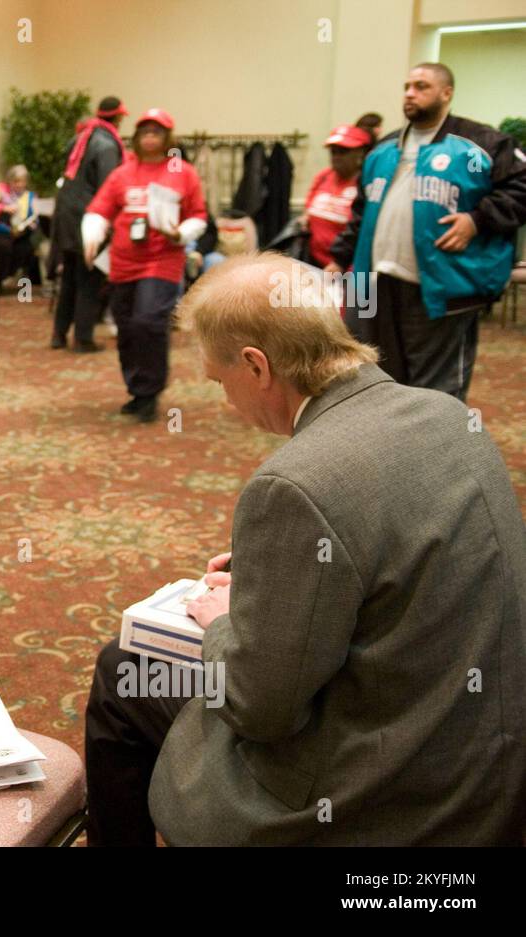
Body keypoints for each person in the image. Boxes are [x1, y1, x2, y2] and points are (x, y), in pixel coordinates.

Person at [84, 253, 526, 845]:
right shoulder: (447, 414)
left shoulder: (292, 484)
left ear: (257, 365)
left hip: (382, 804)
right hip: (484, 773)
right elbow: (401, 544)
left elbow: (259, 708)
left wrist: (221, 621)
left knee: (124, 670)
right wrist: (279, 572)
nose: (224, 401)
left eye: (220, 381)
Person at [331, 63, 526, 401]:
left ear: (446, 93)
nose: (410, 93)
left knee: (437, 390)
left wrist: (477, 219)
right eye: (407, 86)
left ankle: (440, 451)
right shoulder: (384, 149)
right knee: (381, 380)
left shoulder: (481, 143)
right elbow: (362, 210)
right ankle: (394, 451)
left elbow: (521, 187)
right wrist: (339, 259)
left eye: (421, 86)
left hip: (441, 286)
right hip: (378, 285)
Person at [83, 108, 206, 422]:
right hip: (123, 263)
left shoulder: (183, 172)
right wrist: (92, 234)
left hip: (162, 261)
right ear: (136, 138)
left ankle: (150, 391)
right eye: (145, 131)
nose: (150, 137)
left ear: (168, 138)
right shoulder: (123, 172)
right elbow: (100, 209)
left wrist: (181, 233)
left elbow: (199, 216)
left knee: (148, 322)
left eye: (157, 131)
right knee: (126, 326)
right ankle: (137, 389)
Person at [51, 97, 126, 352]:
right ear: (118, 118)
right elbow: (109, 187)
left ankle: (58, 334)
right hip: (89, 219)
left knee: (70, 279)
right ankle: (83, 338)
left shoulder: (80, 137)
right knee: (89, 279)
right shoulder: (107, 145)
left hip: (66, 216)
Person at [301, 124, 370, 268]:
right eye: (333, 152)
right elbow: (308, 208)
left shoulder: (366, 183)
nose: (337, 157)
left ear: (361, 153)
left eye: (343, 151)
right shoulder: (323, 177)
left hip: (350, 271)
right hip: (314, 265)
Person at [0, 165, 40, 287]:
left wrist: (32, 224)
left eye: (23, 181)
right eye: (16, 181)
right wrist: (4, 208)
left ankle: (9, 276)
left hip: (16, 234)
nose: (19, 184)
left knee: (26, 248)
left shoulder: (30, 196)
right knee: (5, 246)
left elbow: (34, 217)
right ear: (10, 180)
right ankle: (0, 281)